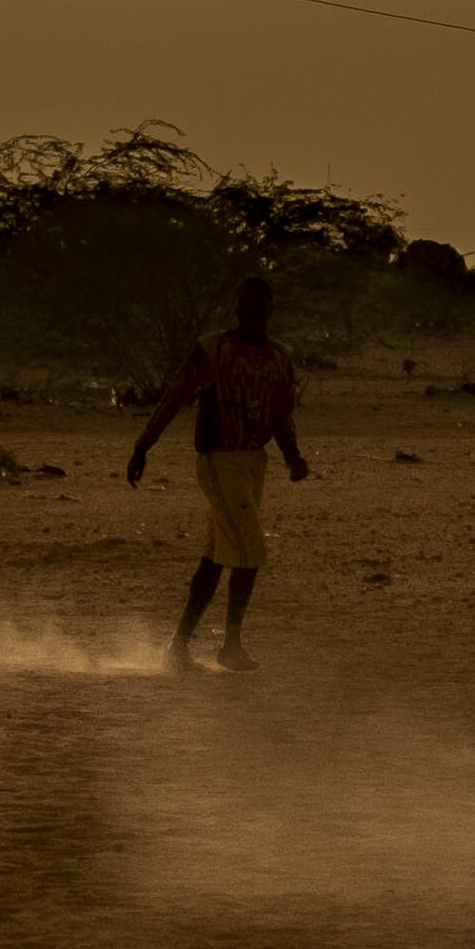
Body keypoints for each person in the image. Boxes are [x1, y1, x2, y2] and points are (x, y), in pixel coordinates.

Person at [126, 275, 308, 670]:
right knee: (250, 551)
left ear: (269, 311)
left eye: (262, 309)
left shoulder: (280, 357)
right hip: (218, 460)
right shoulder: (214, 350)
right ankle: (231, 645)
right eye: (248, 308)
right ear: (238, 310)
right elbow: (176, 396)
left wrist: (292, 455)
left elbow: (281, 414)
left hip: (251, 463)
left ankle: (178, 647)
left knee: (217, 556)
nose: (255, 316)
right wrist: (144, 444)